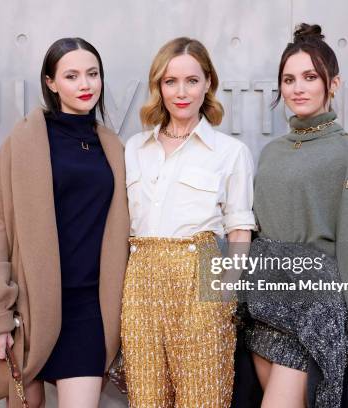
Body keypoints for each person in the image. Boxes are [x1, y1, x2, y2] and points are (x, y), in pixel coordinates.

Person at [0, 37, 129, 408]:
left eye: (93, 74)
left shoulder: (112, 146)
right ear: (50, 82)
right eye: (72, 75)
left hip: (88, 307)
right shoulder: (27, 140)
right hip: (28, 308)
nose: (85, 84)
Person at [239, 23, 348, 408]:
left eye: (309, 77)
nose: (298, 88)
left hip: (314, 314)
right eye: (288, 79)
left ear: (332, 84)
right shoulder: (272, 152)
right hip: (265, 309)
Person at [121, 37, 257, 407]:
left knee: (204, 398)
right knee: (145, 397)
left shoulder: (230, 153)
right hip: (141, 280)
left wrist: (224, 293)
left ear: (208, 83)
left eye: (192, 81)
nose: (181, 92)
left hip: (202, 274)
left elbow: (240, 227)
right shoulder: (134, 149)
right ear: (158, 87)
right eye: (170, 81)